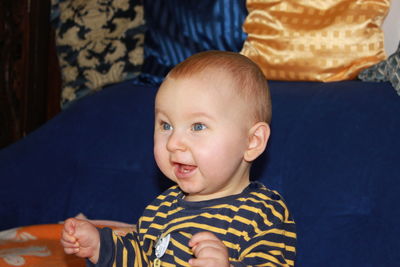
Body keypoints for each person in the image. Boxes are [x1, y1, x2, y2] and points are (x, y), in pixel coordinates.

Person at [61, 51, 297, 266]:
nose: (173, 143)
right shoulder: (161, 209)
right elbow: (140, 257)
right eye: (166, 125)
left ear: (252, 141)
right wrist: (101, 247)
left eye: (197, 126)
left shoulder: (262, 214)